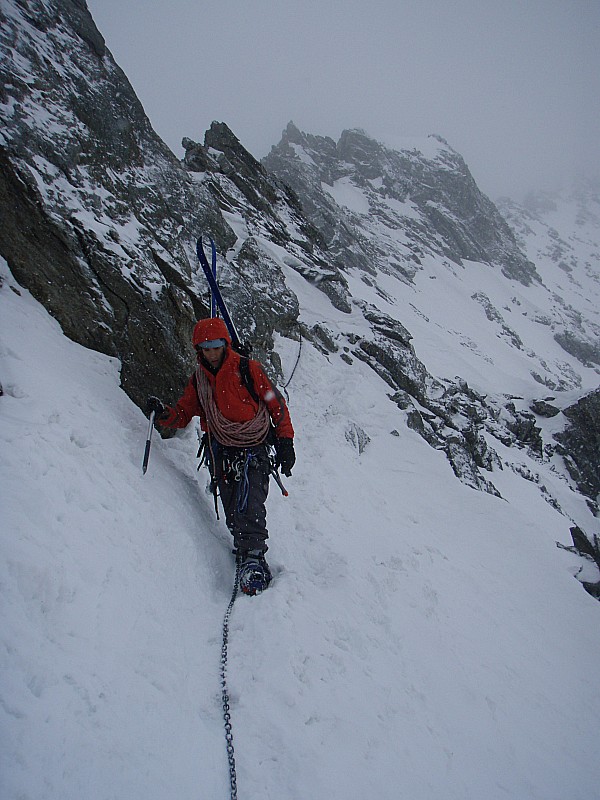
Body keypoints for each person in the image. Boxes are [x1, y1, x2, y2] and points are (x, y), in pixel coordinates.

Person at [146, 317, 295, 595]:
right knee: (230, 501)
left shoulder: (248, 369)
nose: (211, 352)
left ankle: (253, 558)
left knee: (250, 501)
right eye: (205, 347)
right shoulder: (199, 380)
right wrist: (164, 413)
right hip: (222, 448)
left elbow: (275, 403)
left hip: (255, 445)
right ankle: (243, 545)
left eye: (216, 346)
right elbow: (183, 412)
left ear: (225, 345)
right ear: (198, 349)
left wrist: (286, 440)